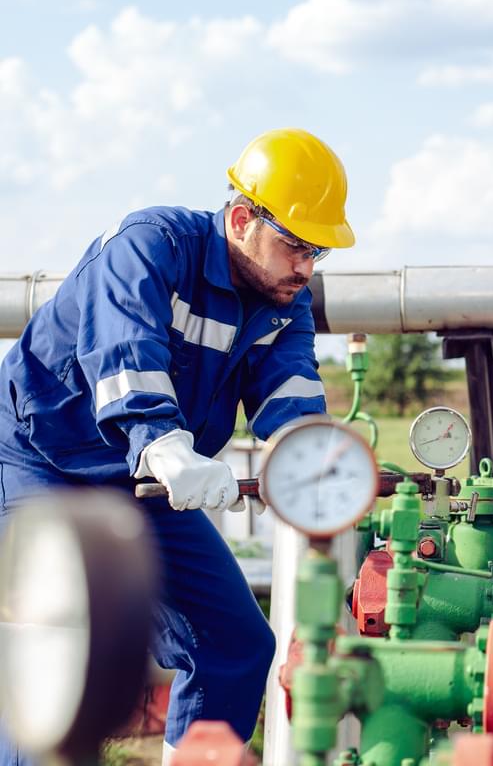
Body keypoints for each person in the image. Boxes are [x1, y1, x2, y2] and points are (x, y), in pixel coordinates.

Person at [0, 128, 354, 765]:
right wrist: (161, 441)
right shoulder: (153, 246)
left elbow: (291, 394)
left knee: (234, 643)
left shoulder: (283, 303)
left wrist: (313, 464)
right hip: (40, 456)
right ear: (243, 219)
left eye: (318, 253)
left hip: (147, 474)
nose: (305, 268)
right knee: (53, 644)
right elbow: (122, 349)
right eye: (297, 246)